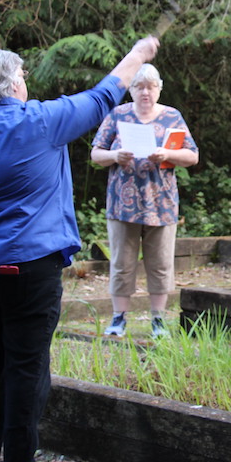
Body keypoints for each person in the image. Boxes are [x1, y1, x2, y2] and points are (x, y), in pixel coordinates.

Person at [0, 36, 158, 462]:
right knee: (25, 363)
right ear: (11, 84)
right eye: (21, 75)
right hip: (25, 264)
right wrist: (138, 55)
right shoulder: (39, 121)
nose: (25, 82)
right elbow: (102, 95)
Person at [90, 63, 199, 339]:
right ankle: (118, 319)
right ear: (132, 89)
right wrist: (115, 156)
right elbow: (96, 154)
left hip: (161, 204)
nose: (145, 92)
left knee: (161, 263)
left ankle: (158, 320)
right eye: (139, 86)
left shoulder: (172, 117)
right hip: (121, 205)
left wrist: (166, 154)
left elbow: (192, 156)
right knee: (121, 262)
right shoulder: (119, 115)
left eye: (151, 87)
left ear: (159, 89)